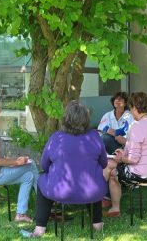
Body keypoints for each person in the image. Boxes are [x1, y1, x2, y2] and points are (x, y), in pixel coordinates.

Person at [31, 101, 107, 237]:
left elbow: (43, 166)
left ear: (65, 120)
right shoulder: (95, 136)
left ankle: (39, 228)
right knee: (95, 177)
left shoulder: (56, 138)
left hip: (60, 191)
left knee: (42, 179)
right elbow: (104, 163)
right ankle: (97, 223)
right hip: (91, 192)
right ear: (86, 120)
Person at [103, 92, 147, 217]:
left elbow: (133, 159)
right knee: (111, 165)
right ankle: (104, 202)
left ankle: (103, 202)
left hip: (142, 174)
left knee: (111, 169)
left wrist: (121, 158)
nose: (130, 112)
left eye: (130, 109)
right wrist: (123, 152)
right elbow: (137, 147)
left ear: (135, 108)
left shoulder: (137, 126)